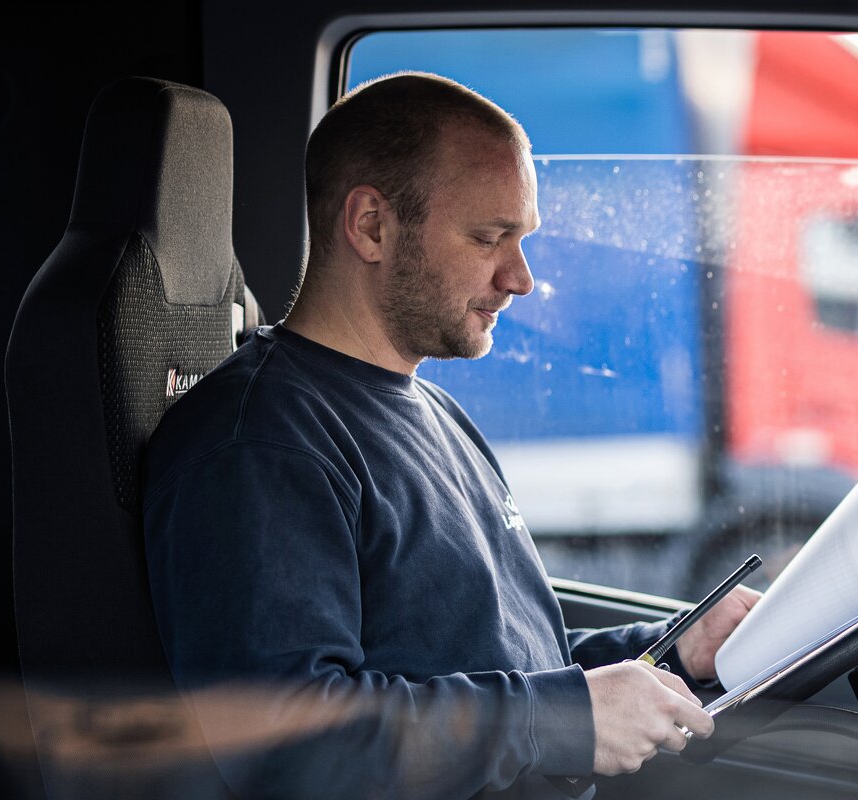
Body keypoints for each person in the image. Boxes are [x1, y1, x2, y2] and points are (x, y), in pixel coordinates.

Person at [141, 72, 755, 799]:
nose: (520, 278)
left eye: (520, 239)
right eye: (489, 237)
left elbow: (502, 666)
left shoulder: (432, 411)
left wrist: (674, 653)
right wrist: (555, 719)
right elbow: (290, 746)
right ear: (371, 226)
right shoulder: (261, 444)